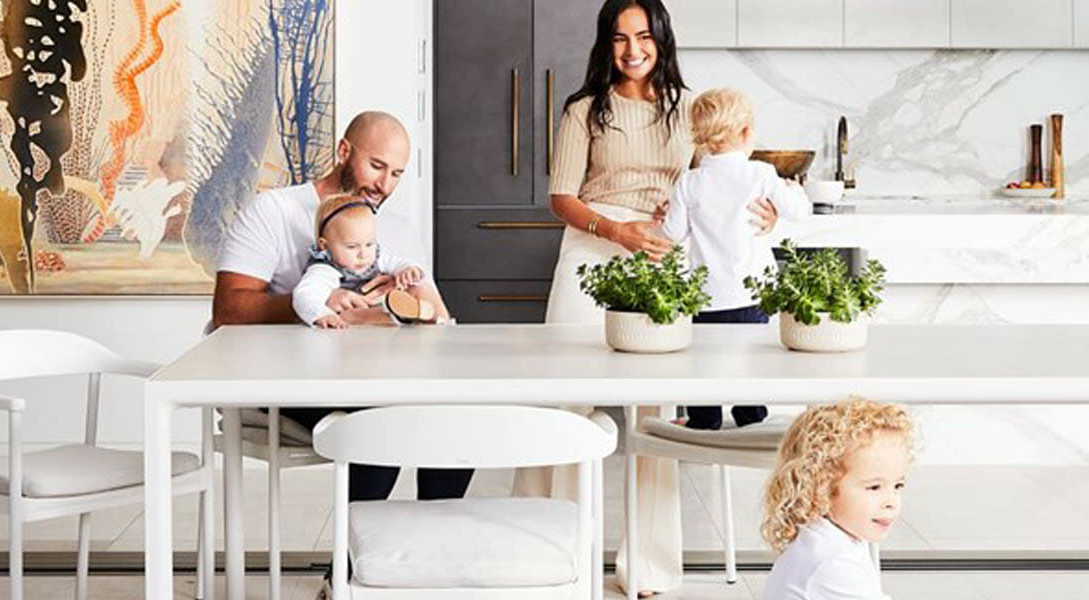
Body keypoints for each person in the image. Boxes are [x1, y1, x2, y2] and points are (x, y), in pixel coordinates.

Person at [511, 0, 778, 595]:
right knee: (562, 400)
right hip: (592, 243)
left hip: (661, 250)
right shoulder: (584, 110)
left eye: (643, 36)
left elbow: (725, 182)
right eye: (619, 38)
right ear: (605, 44)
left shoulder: (688, 110)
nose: (633, 49)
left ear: (661, 38)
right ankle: (539, 556)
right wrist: (615, 231)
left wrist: (763, 212)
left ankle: (649, 569)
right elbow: (561, 196)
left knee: (652, 415)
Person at [213, 110, 473, 502]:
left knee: (453, 413)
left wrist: (398, 302)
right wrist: (325, 307)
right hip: (284, 379)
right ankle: (354, 562)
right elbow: (227, 311)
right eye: (377, 166)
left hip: (372, 376)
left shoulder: (398, 229)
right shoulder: (275, 211)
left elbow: (439, 320)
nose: (385, 184)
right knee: (381, 417)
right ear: (344, 151)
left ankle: (427, 549)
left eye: (397, 174)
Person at [659, 87, 810, 430]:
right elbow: (798, 213)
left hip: (706, 294)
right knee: (750, 360)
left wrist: (666, 213)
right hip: (752, 292)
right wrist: (795, 191)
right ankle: (751, 419)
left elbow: (672, 234)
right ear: (745, 133)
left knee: (703, 361)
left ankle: (704, 420)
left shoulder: (690, 182)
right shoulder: (759, 174)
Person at [761, 398, 914, 600]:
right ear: (821, 488)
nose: (891, 502)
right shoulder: (834, 564)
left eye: (897, 486)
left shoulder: (828, 539)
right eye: (874, 487)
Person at [293, 194, 448, 328]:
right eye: (352, 247)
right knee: (348, 315)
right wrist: (322, 315)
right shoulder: (324, 270)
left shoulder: (376, 257)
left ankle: (432, 318)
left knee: (418, 286)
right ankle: (399, 315)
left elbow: (397, 262)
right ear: (324, 245)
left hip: (382, 303)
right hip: (355, 317)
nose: (363, 254)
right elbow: (304, 295)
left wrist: (406, 270)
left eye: (369, 244)